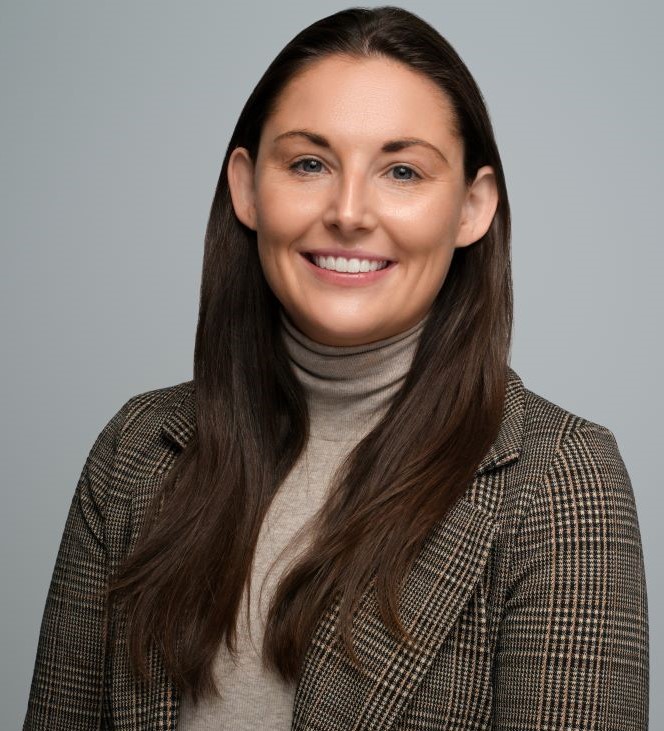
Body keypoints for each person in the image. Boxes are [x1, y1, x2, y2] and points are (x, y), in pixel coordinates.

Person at [23, 6, 648, 730]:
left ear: (472, 207)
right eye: (310, 163)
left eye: (402, 170)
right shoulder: (134, 450)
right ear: (248, 187)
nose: (349, 211)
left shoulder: (562, 479)